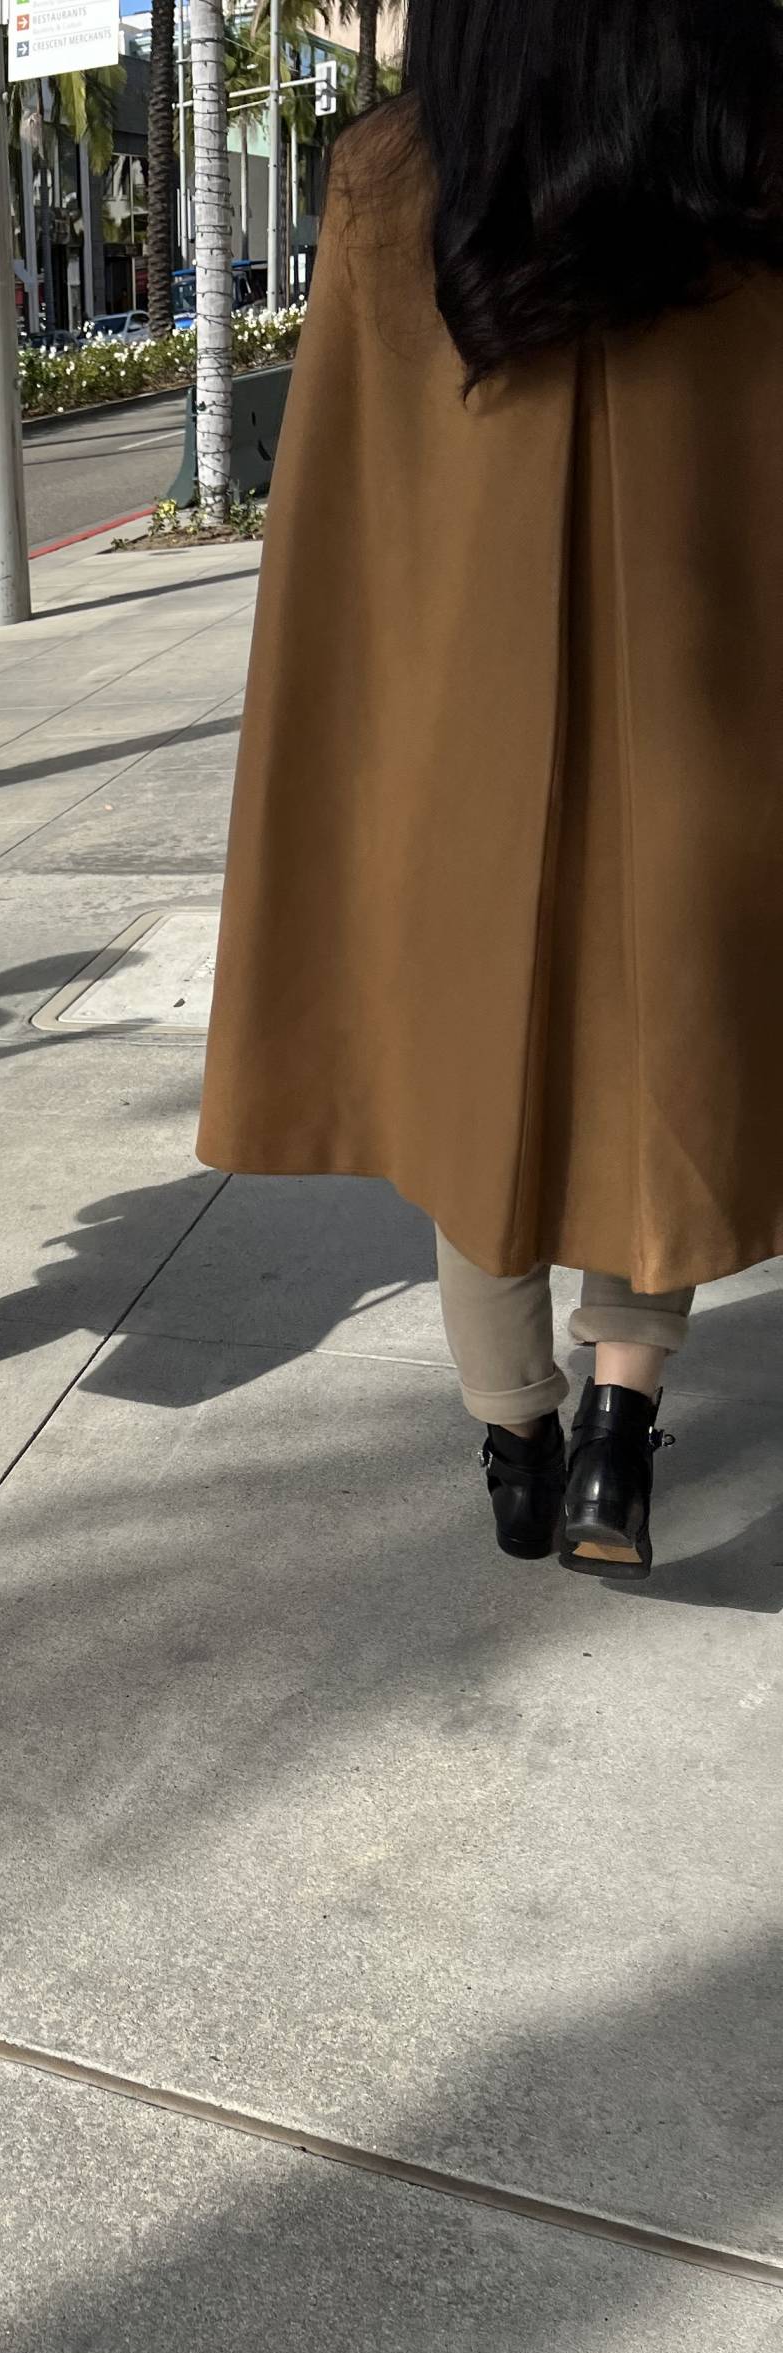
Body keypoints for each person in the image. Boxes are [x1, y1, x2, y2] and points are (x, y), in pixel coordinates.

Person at [197, 0, 783, 1582]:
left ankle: (516, 1430)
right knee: (653, 1063)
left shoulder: (388, 183)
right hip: (703, 736)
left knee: (481, 1082)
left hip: (459, 738)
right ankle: (618, 1425)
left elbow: (346, 523)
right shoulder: (743, 165)